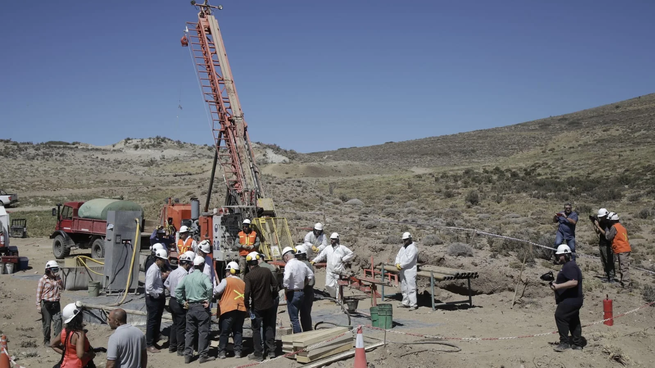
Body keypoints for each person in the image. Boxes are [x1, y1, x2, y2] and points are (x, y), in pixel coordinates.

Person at [176, 255, 215, 364]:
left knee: (189, 332)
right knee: (203, 331)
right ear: (202, 266)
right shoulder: (204, 277)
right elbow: (210, 287)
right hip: (201, 307)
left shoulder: (187, 277)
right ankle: (203, 355)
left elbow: (178, 290)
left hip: (190, 307)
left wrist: (183, 302)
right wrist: (208, 300)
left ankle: (188, 355)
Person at [244, 252, 278, 361]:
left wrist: (247, 306)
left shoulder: (249, 276)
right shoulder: (267, 271)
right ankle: (271, 351)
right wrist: (272, 296)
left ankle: (258, 354)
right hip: (269, 304)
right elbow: (275, 285)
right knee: (269, 327)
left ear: (249, 264)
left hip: (257, 307)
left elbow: (247, 293)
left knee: (256, 330)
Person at [550, 244, 584, 352]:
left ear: (565, 255)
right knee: (573, 319)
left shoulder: (570, 266)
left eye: (560, 255)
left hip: (571, 300)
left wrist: (558, 286)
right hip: (574, 299)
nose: (558, 257)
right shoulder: (569, 266)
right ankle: (577, 344)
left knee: (560, 316)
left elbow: (574, 282)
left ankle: (564, 342)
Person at [214, 261, 247, 359]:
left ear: (230, 271)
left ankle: (222, 352)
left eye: (227, 271)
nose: (226, 273)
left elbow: (216, 291)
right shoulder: (242, 282)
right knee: (238, 331)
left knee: (224, 331)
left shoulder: (226, 280)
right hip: (241, 309)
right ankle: (238, 352)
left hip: (228, 309)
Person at [164, 252, 193, 355]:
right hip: (179, 301)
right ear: (187, 264)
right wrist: (184, 300)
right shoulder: (184, 273)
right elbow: (181, 288)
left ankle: (172, 346)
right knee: (181, 326)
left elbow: (166, 283)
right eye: (190, 264)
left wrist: (171, 290)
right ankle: (180, 349)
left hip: (172, 300)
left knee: (175, 324)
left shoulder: (173, 272)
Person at [51, 302, 96, 368]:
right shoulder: (79, 334)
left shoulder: (64, 331)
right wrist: (90, 354)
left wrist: (66, 354)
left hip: (64, 365)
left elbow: (53, 345)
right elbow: (80, 355)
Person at [311, 233, 354, 300]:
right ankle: (334, 296)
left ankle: (338, 299)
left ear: (337, 240)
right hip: (330, 270)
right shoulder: (327, 248)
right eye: (331, 239)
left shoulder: (342, 248)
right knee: (328, 285)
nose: (332, 241)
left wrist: (344, 259)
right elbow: (321, 256)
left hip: (339, 270)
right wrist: (314, 261)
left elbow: (351, 253)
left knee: (338, 286)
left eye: (333, 239)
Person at [145, 248, 169, 353]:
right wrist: (157, 295)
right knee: (152, 321)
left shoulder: (157, 268)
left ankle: (154, 341)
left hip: (158, 298)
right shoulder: (153, 269)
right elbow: (149, 287)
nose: (164, 262)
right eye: (163, 260)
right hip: (153, 299)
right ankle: (149, 344)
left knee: (157, 320)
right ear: (158, 259)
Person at [37, 260, 63, 346]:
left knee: (58, 322)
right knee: (47, 324)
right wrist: (38, 305)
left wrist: (59, 280)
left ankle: (57, 341)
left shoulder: (57, 279)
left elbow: (62, 287)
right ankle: (47, 341)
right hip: (46, 304)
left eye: (56, 270)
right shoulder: (43, 280)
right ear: (48, 270)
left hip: (56, 303)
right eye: (54, 270)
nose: (55, 272)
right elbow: (39, 293)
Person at [605, 213, 632, 291]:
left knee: (623, 267)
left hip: (622, 249)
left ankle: (626, 286)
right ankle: (624, 282)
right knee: (623, 266)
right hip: (625, 248)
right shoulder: (621, 227)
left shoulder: (614, 227)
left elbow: (609, 237)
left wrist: (607, 231)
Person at [292, 245, 315, 331]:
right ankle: (307, 330)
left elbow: (310, 281)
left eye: (297, 256)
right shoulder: (305, 264)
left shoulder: (305, 264)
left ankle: (307, 331)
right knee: (304, 314)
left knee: (305, 314)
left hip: (306, 291)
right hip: (306, 291)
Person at [395, 232, 418, 310]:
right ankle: (405, 302)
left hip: (410, 270)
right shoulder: (403, 247)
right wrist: (397, 263)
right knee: (404, 286)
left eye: (406, 240)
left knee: (411, 287)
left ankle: (413, 304)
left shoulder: (413, 248)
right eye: (404, 240)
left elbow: (409, 260)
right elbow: (398, 256)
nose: (405, 241)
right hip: (402, 269)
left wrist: (401, 265)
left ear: (410, 239)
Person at [592, 208, 615, 283]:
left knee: (609, 261)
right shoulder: (601, 222)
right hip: (601, 243)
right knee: (603, 260)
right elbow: (598, 232)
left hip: (607, 244)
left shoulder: (609, 223)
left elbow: (605, 234)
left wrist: (598, 226)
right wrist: (595, 225)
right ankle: (606, 275)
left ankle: (611, 277)